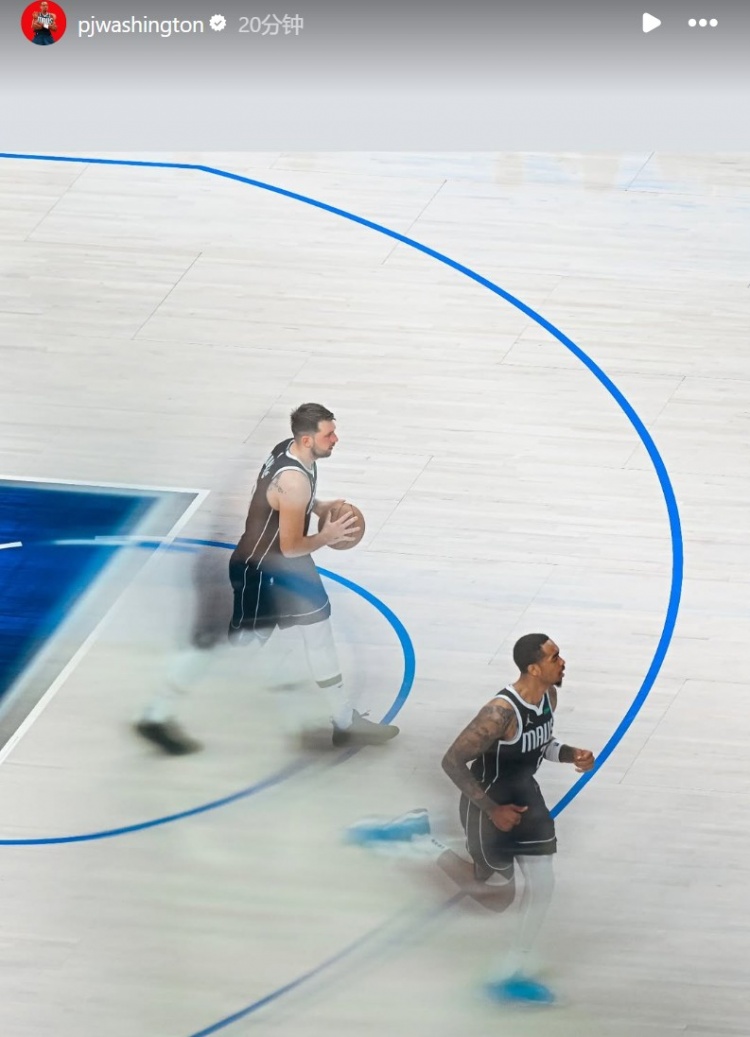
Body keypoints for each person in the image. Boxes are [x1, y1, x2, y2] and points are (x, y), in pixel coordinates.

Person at [135, 403, 399, 754]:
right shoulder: (293, 481)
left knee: (318, 631)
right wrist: (327, 535)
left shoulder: (289, 451)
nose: (335, 439)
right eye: (329, 434)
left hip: (286, 567)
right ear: (307, 439)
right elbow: (291, 545)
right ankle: (156, 715)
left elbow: (282, 503)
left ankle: (344, 721)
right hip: (262, 571)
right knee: (228, 648)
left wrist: (318, 506)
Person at [439, 632, 595, 1003]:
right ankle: (422, 843)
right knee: (496, 894)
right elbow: (452, 761)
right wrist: (492, 810)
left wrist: (571, 754)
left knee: (543, 884)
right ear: (533, 668)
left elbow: (542, 745)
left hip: (525, 798)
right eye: (555, 657)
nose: (563, 662)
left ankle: (511, 970)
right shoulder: (499, 713)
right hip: (487, 805)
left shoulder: (549, 697)